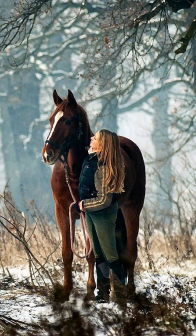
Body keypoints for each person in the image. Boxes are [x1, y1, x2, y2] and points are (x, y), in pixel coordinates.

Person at [74, 129, 126, 304]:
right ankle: (103, 294)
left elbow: (104, 200)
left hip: (102, 214)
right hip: (92, 213)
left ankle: (120, 295)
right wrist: (85, 207)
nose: (91, 138)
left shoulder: (103, 166)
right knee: (99, 255)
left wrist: (83, 205)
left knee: (110, 254)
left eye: (95, 138)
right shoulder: (92, 160)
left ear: (102, 144)